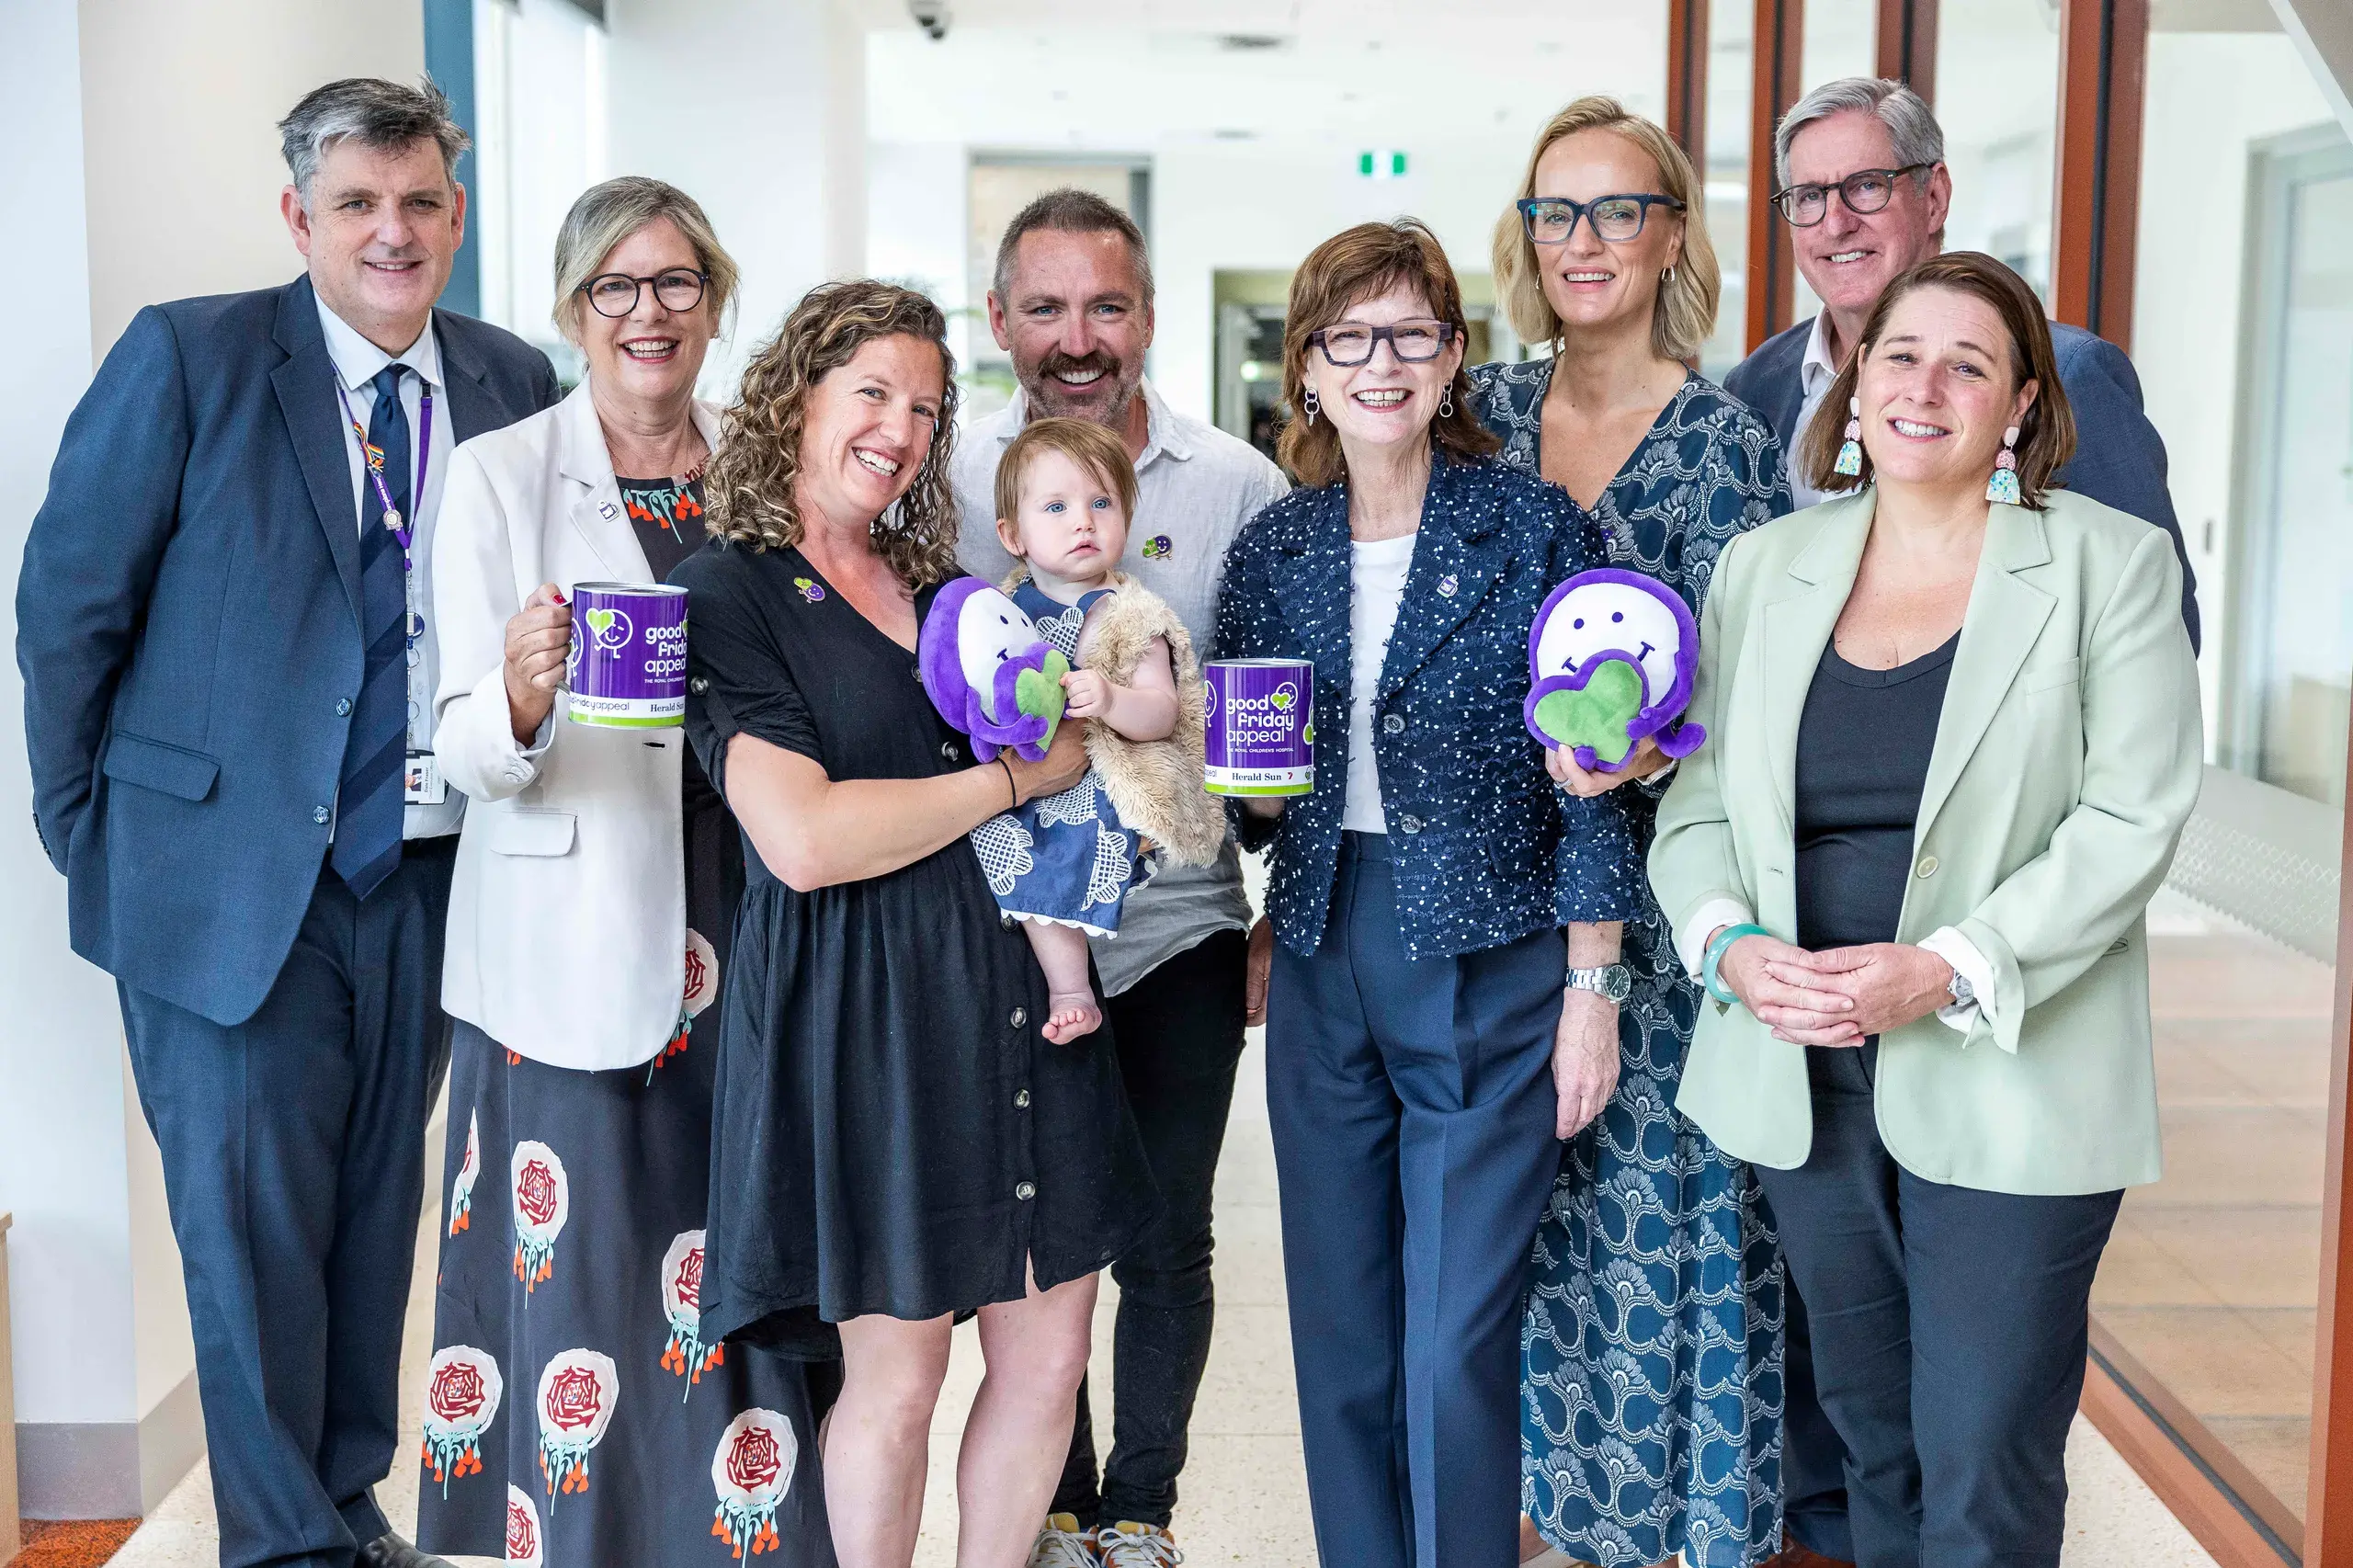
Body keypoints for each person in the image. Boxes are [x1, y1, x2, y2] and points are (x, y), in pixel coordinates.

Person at [15, 79, 559, 1568]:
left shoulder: (514, 382)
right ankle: (282, 1545)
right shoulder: (191, 357)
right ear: (299, 217)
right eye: (358, 204)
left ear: (457, 213)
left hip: (435, 875)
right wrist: (93, 829)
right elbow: (69, 609)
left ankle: (342, 1496)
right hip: (224, 882)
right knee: (246, 1229)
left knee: (374, 1214)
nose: (392, 231)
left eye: (419, 202)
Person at [1653, 251, 2201, 1568]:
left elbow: (2134, 814)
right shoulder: (1765, 567)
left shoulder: (2104, 566)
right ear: (1853, 379)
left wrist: (1950, 967)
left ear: (2020, 403)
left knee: (1983, 1447)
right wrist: (1729, 945)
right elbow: (1697, 807)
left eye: (1969, 363)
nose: (1924, 385)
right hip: (1804, 1066)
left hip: (2013, 1063)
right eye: (1900, 354)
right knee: (1869, 1441)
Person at [676, 278, 1156, 1568]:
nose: (898, 426)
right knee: (895, 1380)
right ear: (801, 396)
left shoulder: (945, 583)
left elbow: (1079, 733)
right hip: (868, 1021)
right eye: (872, 391)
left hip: (1024, 1004)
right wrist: (1013, 779)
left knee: (1051, 1358)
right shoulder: (726, 593)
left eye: (926, 408)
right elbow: (807, 838)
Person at [415, 176, 835, 1566]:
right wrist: (524, 701)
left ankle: (758, 1538)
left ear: (714, 300)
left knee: (757, 1266)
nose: (646, 312)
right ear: (570, 309)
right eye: (615, 286)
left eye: (674, 283)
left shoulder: (768, 475)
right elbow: (460, 741)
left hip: (763, 916)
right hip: (578, 935)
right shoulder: (500, 473)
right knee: (592, 1277)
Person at [1215, 218, 1638, 1568]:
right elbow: (1250, 792)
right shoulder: (1277, 549)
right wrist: (1243, 790)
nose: (1381, 363)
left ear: (1454, 356)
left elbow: (1598, 779)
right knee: (1340, 1325)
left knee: (1454, 1337)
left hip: (1488, 955)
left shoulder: (1531, 528)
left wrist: (1591, 987)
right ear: (1312, 369)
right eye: (1350, 337)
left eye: (1411, 334)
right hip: (1325, 938)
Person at [1469, 96, 1789, 1568]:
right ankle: (1526, 1526)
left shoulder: (1729, 446)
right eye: (1556, 212)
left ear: (1671, 234)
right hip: (1481, 903)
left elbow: (1761, 696)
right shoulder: (1475, 414)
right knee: (1506, 1246)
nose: (1583, 241)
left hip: (1660, 919)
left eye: (1615, 210)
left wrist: (1645, 752)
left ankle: (1667, 1534)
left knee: (1660, 1233)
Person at [950, 188, 1287, 1568]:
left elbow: (1279, 720)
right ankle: (1059, 1503)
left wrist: (1285, 923)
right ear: (1002, 323)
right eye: (1046, 307)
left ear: (1148, 315)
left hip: (1185, 931)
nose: (1077, 336)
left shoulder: (1238, 486)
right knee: (1037, 1248)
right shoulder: (957, 484)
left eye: (1106, 305)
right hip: (1016, 929)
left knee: (1165, 1233)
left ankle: (1140, 1508)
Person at [1725, 76, 2198, 651]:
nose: (1835, 222)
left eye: (1866, 186)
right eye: (1809, 196)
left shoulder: (2064, 375)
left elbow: (2155, 627)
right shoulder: (1757, 382)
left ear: (1935, 196)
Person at [944, 418, 1226, 1048]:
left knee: (1066, 846)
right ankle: (1045, 972)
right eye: (1057, 507)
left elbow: (1163, 712)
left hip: (1103, 785)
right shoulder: (1005, 609)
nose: (1084, 522)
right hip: (1024, 783)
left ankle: (1071, 989)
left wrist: (1112, 699)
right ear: (1012, 536)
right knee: (989, 840)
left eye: (1103, 503)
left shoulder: (1129, 615)